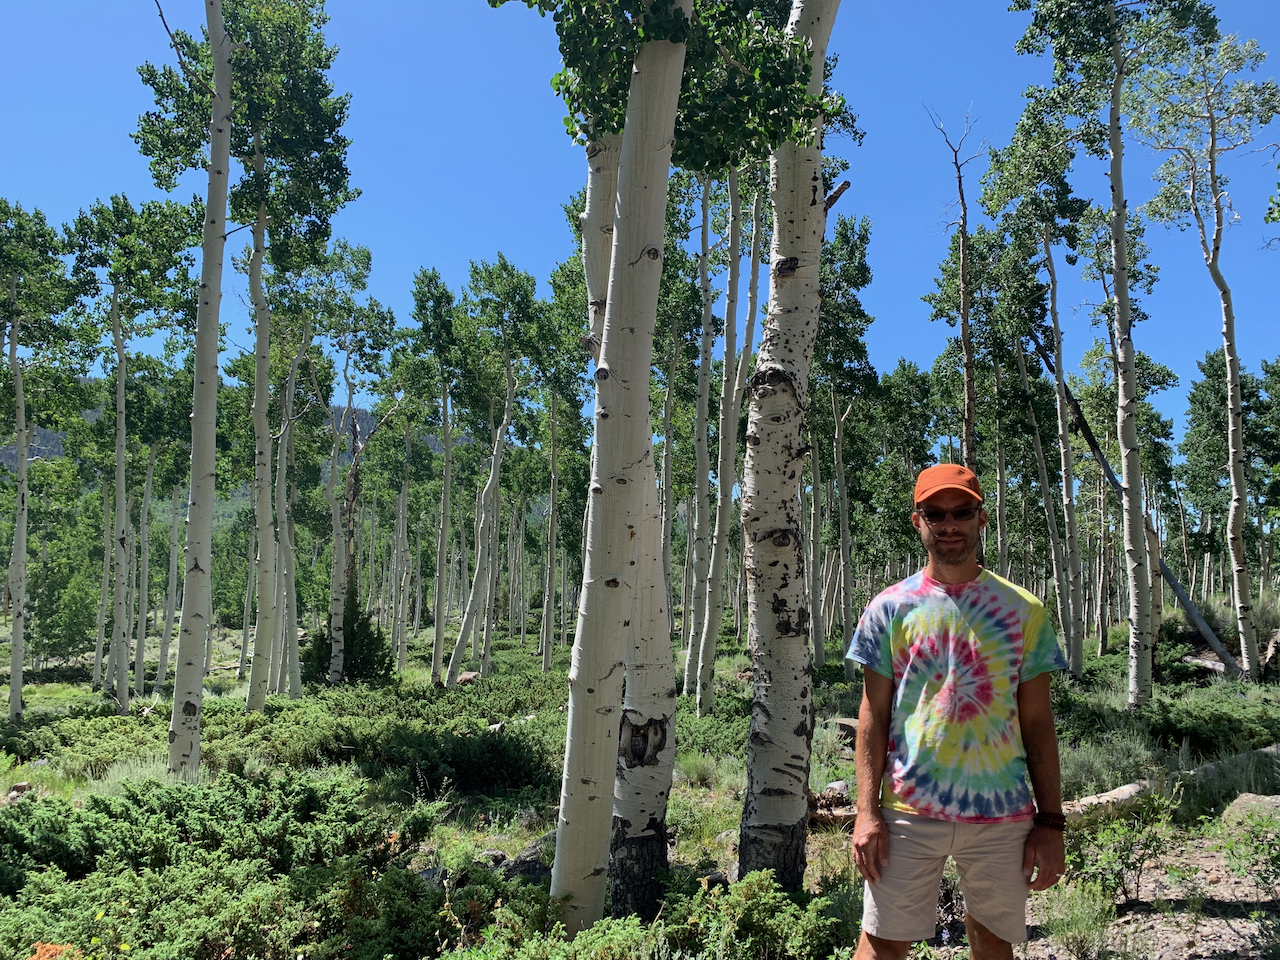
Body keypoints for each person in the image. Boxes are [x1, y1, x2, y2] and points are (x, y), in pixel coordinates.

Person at [846, 463, 1067, 960]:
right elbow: (873, 717)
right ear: (916, 521)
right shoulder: (889, 609)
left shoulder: (1023, 610)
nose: (950, 524)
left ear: (981, 518)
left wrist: (1051, 823)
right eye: (936, 513)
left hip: (1000, 815)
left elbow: (1037, 724)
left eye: (961, 511)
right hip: (906, 811)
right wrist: (866, 812)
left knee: (992, 942)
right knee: (881, 944)